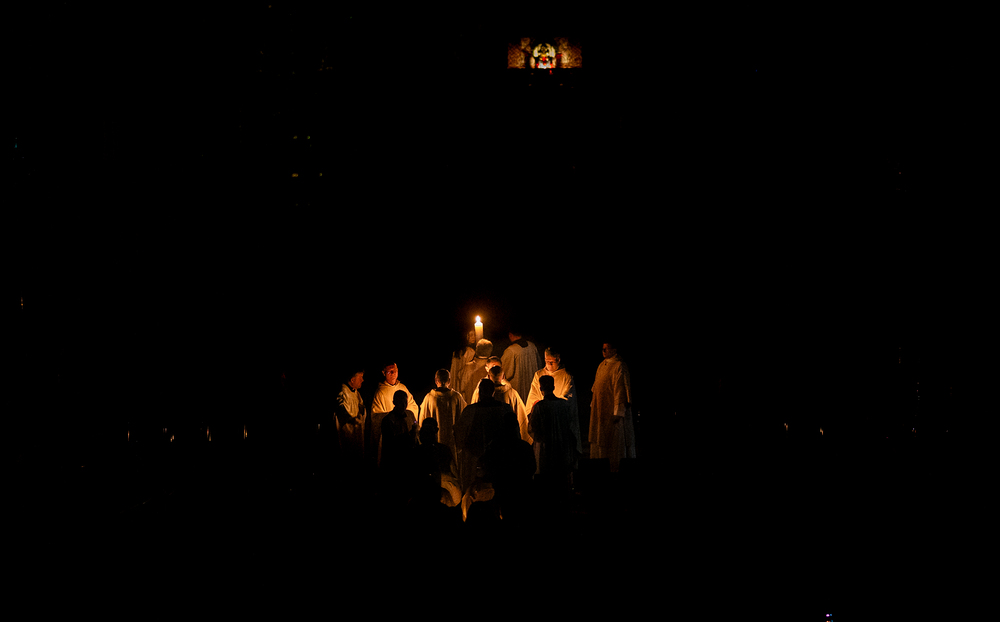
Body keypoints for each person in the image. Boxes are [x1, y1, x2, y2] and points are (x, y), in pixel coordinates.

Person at [454, 378, 519, 494]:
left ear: (480, 392)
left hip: (476, 459)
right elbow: (514, 433)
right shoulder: (505, 409)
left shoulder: (470, 411)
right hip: (500, 458)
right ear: (493, 392)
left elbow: (460, 434)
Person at [525, 347, 581, 456]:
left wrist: (552, 406)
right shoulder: (539, 375)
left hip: (559, 421)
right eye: (547, 362)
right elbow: (533, 396)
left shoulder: (566, 376)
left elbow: (568, 400)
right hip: (544, 421)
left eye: (551, 362)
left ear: (558, 360)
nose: (549, 365)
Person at [589, 341, 634, 472]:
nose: (603, 351)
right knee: (601, 439)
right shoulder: (601, 365)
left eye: (606, 349)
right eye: (602, 349)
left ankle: (616, 469)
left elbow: (620, 389)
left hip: (613, 413)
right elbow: (596, 387)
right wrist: (594, 405)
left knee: (615, 440)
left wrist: (618, 412)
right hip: (601, 409)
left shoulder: (619, 365)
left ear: (614, 350)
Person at [528, 374, 578, 493]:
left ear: (541, 388)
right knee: (561, 478)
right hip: (562, 446)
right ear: (553, 387)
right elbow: (569, 423)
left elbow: (532, 428)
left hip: (545, 448)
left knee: (547, 480)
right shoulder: (563, 405)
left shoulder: (539, 406)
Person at [369, 362, 419, 467]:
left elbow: (413, 407)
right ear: (384, 373)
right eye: (390, 372)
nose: (393, 374)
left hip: (406, 433)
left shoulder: (403, 388)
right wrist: (393, 416)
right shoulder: (380, 392)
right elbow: (375, 416)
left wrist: (405, 416)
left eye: (395, 371)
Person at [472, 361, 531, 445]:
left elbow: (473, 412)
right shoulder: (512, 393)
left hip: (485, 437)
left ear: (489, 376)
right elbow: (521, 418)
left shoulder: (480, 392)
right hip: (506, 439)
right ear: (503, 376)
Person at [418, 369, 467, 464]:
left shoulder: (429, 398)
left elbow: (422, 422)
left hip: (434, 442)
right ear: (449, 381)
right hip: (451, 442)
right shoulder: (456, 397)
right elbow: (463, 421)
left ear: (436, 380)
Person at [335, 366, 367, 468]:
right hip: (346, 435)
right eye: (360, 377)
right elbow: (341, 411)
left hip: (357, 433)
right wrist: (352, 420)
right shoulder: (343, 392)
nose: (362, 380)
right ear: (352, 380)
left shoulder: (356, 393)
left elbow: (362, 408)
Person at [500, 329, 543, 404]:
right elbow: (539, 366)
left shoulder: (511, 351)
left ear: (510, 335)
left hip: (518, 392)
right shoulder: (532, 346)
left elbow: (504, 373)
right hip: (533, 391)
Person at [456, 339, 493, 406]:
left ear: (476, 350)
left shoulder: (467, 368)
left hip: (470, 407)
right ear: (490, 352)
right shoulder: (492, 368)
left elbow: (461, 389)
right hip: (488, 407)